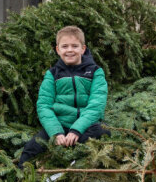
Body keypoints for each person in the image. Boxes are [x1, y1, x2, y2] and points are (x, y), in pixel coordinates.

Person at [17, 25, 110, 168]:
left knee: (102, 132)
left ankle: (73, 164)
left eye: (75, 46)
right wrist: (56, 132)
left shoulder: (95, 72)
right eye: (65, 46)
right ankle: (22, 179)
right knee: (31, 147)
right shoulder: (52, 74)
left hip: (86, 126)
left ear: (83, 49)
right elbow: (44, 106)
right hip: (60, 125)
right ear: (58, 50)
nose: (70, 50)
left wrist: (76, 130)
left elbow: (96, 105)